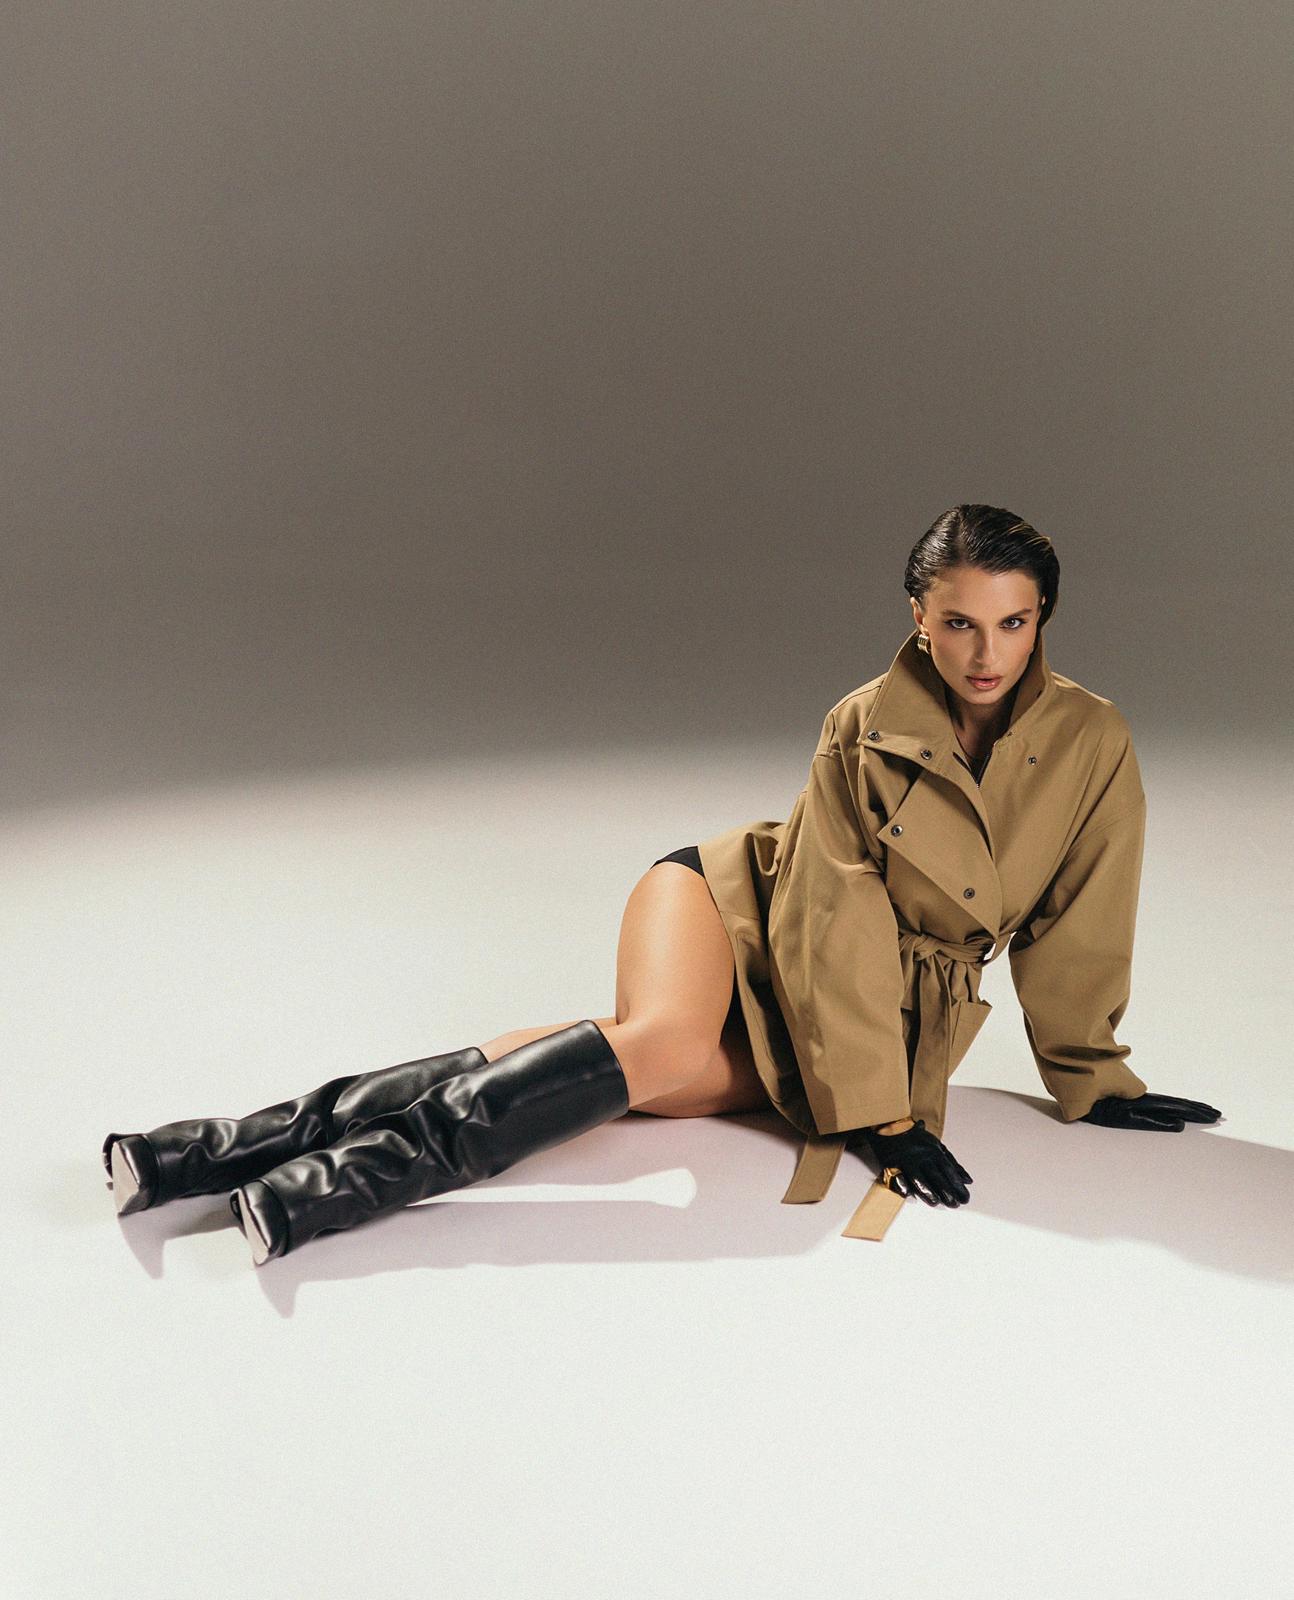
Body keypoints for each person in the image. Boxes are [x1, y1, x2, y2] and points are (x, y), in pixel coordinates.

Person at [101, 503, 1221, 1265]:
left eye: (1013, 623)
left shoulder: (1093, 740)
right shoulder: (861, 724)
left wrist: (1090, 1074)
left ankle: (207, 1151)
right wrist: (878, 1111)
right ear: (918, 619)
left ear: (1042, 621)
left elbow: (1082, 913)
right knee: (669, 1042)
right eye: (960, 622)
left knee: (633, 1066)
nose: (986, 653)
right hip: (741, 907)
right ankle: (315, 1195)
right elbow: (829, 907)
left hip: (864, 1007)